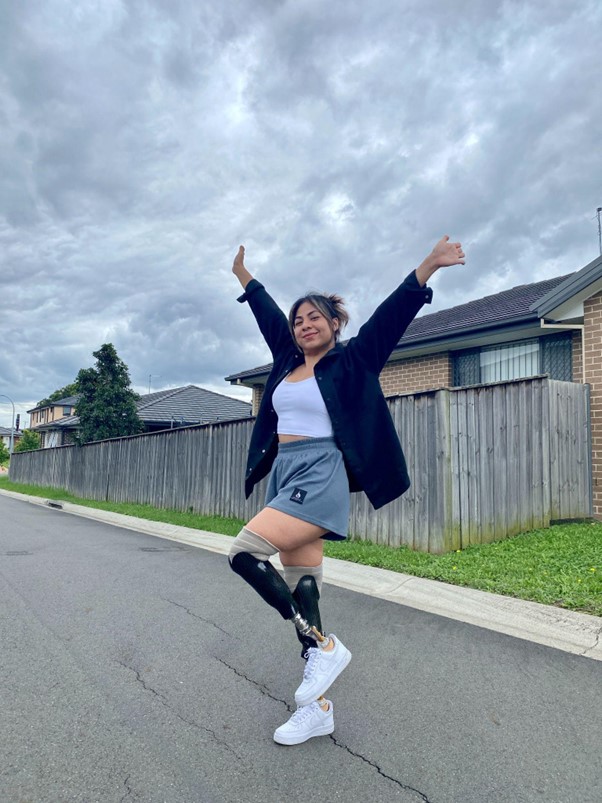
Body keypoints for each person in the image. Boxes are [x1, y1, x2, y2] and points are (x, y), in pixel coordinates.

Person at [229, 235, 465, 745]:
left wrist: (427, 266)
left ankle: (324, 645)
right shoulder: (284, 363)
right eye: (299, 320)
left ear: (335, 324)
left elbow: (391, 316)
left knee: (244, 553)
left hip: (320, 472)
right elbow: (268, 314)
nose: (304, 325)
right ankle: (318, 709)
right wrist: (245, 279)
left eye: (315, 317)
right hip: (285, 472)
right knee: (302, 585)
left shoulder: (354, 361)